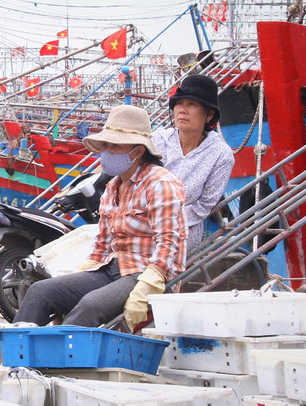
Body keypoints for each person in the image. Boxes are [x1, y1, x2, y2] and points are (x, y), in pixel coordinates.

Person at [14, 104, 186, 330]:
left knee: (90, 305)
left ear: (138, 150)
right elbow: (103, 241)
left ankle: (59, 360)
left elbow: (169, 241)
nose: (107, 152)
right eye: (105, 146)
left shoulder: (160, 183)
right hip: (111, 268)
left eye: (115, 146)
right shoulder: (113, 186)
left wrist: (150, 282)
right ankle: (12, 354)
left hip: (146, 272)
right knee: (40, 292)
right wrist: (89, 265)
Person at [154, 74, 236, 259]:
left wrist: (167, 221)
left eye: (191, 104)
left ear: (209, 114)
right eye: (179, 103)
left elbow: (204, 205)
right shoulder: (158, 140)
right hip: (142, 217)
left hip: (184, 228)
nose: (182, 110)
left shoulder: (221, 155)